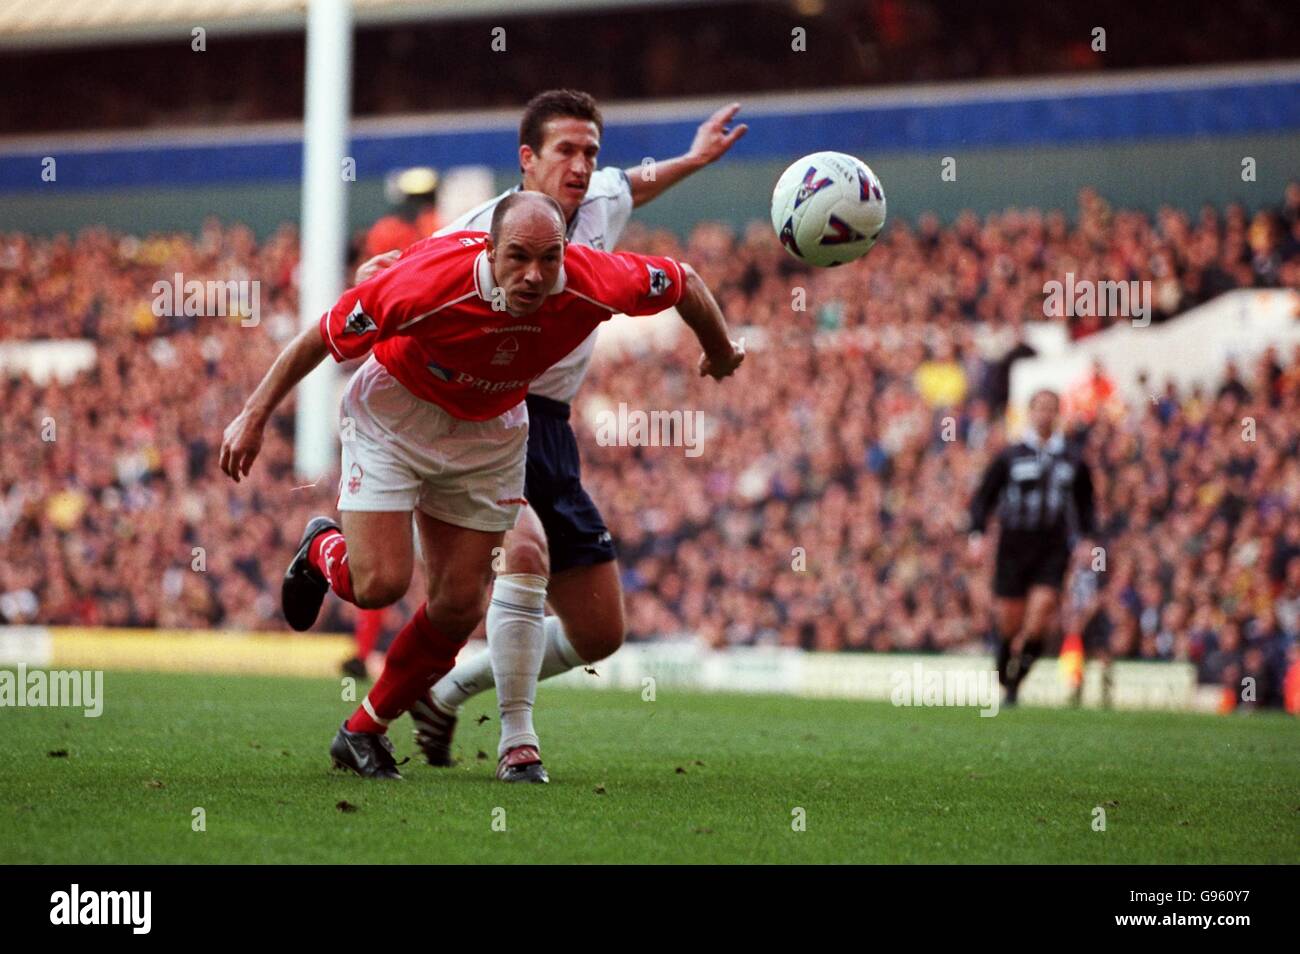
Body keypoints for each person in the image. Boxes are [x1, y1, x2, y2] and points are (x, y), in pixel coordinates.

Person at [219, 192, 744, 779]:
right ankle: (323, 548)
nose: (535, 275)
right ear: (491, 249)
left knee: (459, 604)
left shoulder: (592, 279)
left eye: (550, 258)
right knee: (379, 585)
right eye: (518, 257)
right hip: (398, 413)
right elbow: (319, 336)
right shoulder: (427, 284)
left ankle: (363, 730)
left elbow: (682, 281)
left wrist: (720, 351)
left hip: (489, 432)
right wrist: (254, 416)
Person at [355, 89, 746, 780]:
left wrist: (695, 156)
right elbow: (400, 278)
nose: (582, 165)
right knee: (522, 553)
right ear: (527, 160)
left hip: (553, 428)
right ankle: (517, 741)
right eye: (566, 150)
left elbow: (637, 185)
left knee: (600, 632)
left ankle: (446, 694)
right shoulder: (481, 226)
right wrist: (374, 283)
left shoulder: (599, 202)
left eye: (590, 151)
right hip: (481, 412)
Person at [967, 389, 1096, 705]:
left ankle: (1014, 683)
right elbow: (984, 497)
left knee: (1040, 616)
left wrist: (1087, 539)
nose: (1044, 414)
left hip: (1052, 546)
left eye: (1051, 408)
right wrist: (978, 534)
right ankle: (1003, 661)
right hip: (1014, 544)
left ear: (1058, 414)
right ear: (1029, 412)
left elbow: (1086, 505)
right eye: (1039, 408)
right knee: (1009, 619)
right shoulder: (1011, 455)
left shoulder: (1073, 459)